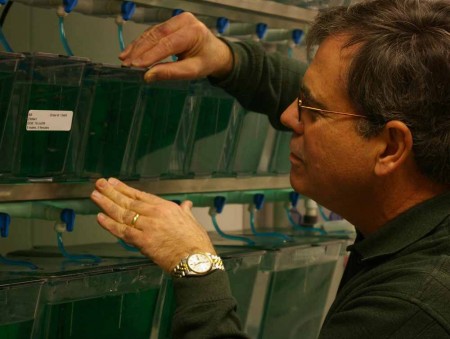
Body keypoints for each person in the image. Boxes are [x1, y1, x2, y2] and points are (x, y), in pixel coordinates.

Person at [90, 0, 450, 338]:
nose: (287, 115)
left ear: (390, 147)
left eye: (311, 110)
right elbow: (342, 104)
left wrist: (197, 267)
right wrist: (229, 59)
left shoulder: (411, 308)